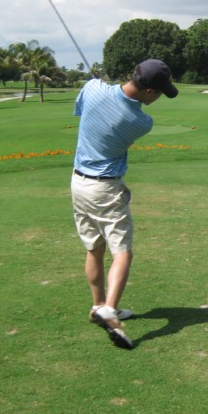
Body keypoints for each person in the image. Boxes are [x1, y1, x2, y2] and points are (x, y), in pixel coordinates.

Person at [71, 59, 178, 349]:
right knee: (122, 252)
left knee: (94, 248)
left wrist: (98, 87)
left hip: (78, 184)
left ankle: (97, 308)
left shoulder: (93, 88)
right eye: (159, 93)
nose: (158, 99)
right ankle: (109, 308)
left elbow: (82, 110)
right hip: (106, 189)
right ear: (149, 91)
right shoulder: (141, 122)